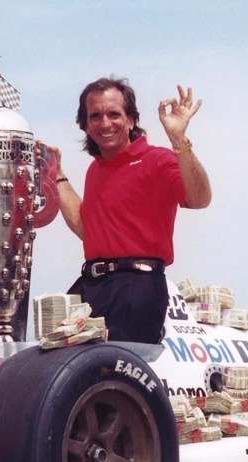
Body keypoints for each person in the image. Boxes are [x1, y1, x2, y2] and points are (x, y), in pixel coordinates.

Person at [48, 77, 212, 344]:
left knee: (113, 372)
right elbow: (88, 230)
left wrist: (179, 139)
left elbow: (199, 198)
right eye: (95, 116)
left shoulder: (157, 160)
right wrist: (56, 173)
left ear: (131, 119)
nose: (105, 124)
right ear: (86, 125)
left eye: (114, 114)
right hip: (93, 284)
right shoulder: (95, 170)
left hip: (137, 287)